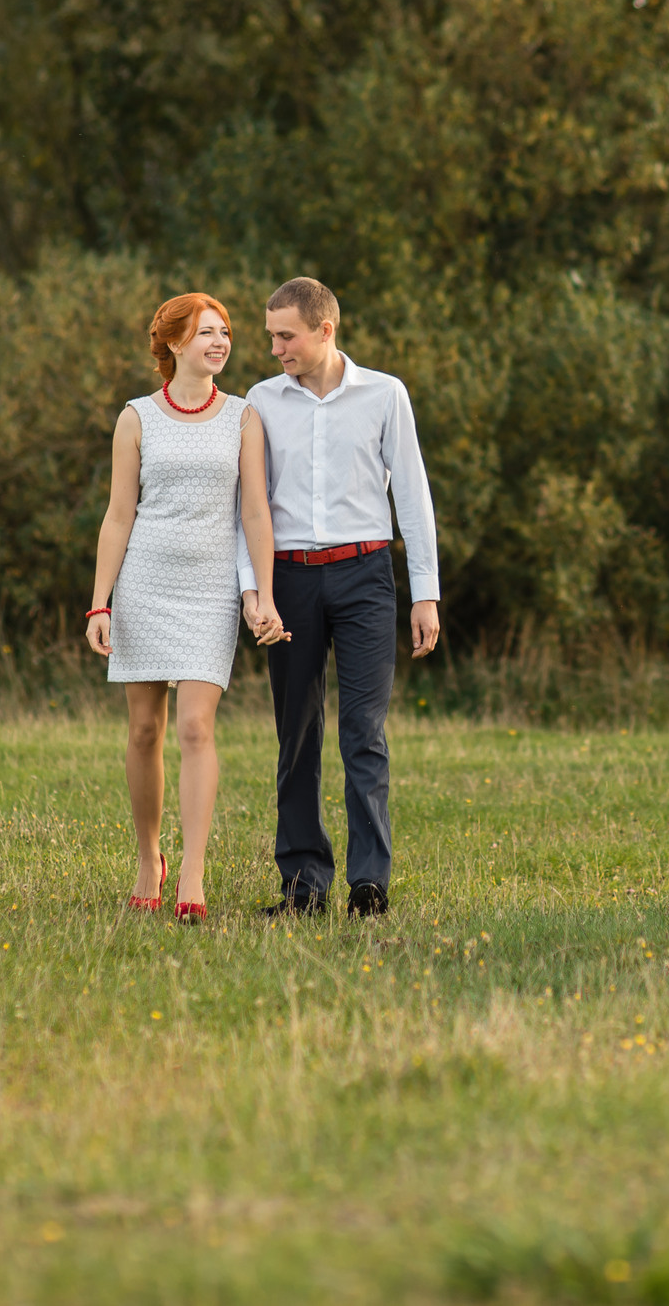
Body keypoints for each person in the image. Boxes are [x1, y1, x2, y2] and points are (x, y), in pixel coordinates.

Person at [238, 277, 440, 918]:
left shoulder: (385, 394)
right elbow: (248, 508)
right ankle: (302, 884)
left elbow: (412, 494)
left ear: (325, 330)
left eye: (286, 336)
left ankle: (369, 882)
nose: (275, 349)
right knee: (295, 733)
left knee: (363, 731)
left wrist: (425, 594)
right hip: (289, 581)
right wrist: (255, 591)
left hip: (366, 579)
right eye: (271, 336)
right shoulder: (260, 403)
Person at [86, 293, 286, 924]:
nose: (220, 342)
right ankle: (150, 859)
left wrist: (265, 593)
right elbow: (119, 515)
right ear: (173, 344)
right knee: (144, 731)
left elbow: (255, 512)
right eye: (206, 332)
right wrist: (100, 604)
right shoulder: (137, 417)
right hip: (144, 583)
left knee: (196, 728)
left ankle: (192, 874)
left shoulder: (244, 417)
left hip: (210, 591)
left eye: (225, 332)